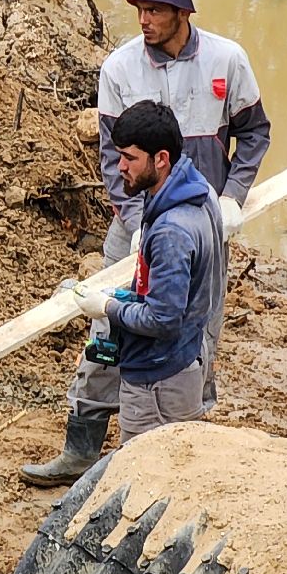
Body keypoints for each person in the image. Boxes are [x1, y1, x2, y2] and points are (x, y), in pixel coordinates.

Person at [21, 0, 271, 485]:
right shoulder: (120, 69)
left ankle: (180, 446)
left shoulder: (228, 61)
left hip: (202, 227)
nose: (144, 20)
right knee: (105, 334)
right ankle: (82, 449)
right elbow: (116, 161)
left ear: (182, 12)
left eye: (156, 10)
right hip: (137, 224)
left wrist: (232, 197)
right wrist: (135, 221)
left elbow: (254, 135)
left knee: (194, 334)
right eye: (139, 9)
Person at [68, 101, 224, 440]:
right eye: (119, 154)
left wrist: (108, 307)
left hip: (158, 383)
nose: (120, 166)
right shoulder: (196, 192)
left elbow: (163, 320)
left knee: (143, 474)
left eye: (130, 158)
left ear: (161, 159)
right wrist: (125, 295)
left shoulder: (172, 231)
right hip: (178, 366)